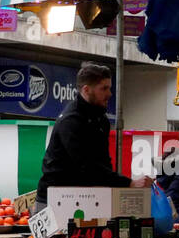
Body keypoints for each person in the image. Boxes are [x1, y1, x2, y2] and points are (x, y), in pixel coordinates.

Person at [36, 63, 148, 206]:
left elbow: (103, 163)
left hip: (85, 197)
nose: (110, 94)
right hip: (55, 199)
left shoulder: (101, 120)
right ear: (86, 90)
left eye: (110, 88)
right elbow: (88, 166)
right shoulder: (71, 121)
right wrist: (129, 183)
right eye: (104, 88)